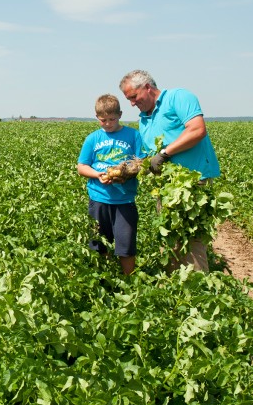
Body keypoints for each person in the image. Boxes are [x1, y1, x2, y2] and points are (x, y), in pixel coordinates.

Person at [119, 69, 221, 271]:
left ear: (147, 87)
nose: (132, 103)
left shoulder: (178, 97)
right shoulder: (144, 120)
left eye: (134, 97)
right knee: (169, 238)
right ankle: (175, 290)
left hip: (192, 181)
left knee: (191, 240)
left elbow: (197, 129)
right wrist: (132, 169)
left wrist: (165, 153)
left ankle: (198, 291)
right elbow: (152, 156)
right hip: (167, 186)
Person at [77, 94, 144, 275]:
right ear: (97, 117)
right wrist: (97, 174)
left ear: (120, 115)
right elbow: (82, 166)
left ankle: (128, 281)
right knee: (99, 243)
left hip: (124, 200)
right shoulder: (93, 139)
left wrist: (126, 173)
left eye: (112, 119)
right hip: (99, 198)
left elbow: (141, 162)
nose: (108, 123)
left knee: (126, 244)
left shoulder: (133, 135)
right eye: (103, 120)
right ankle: (104, 279)